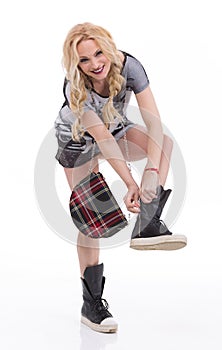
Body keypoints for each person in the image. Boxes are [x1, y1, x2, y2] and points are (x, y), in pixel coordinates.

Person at [54, 22, 187, 333]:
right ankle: (92, 305)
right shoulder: (74, 87)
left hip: (114, 127)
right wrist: (130, 183)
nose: (94, 64)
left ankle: (147, 222)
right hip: (78, 144)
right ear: (76, 64)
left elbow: (154, 124)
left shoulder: (130, 67)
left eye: (98, 53)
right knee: (93, 221)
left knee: (163, 144)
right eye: (84, 60)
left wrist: (150, 176)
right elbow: (102, 140)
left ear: (108, 48)